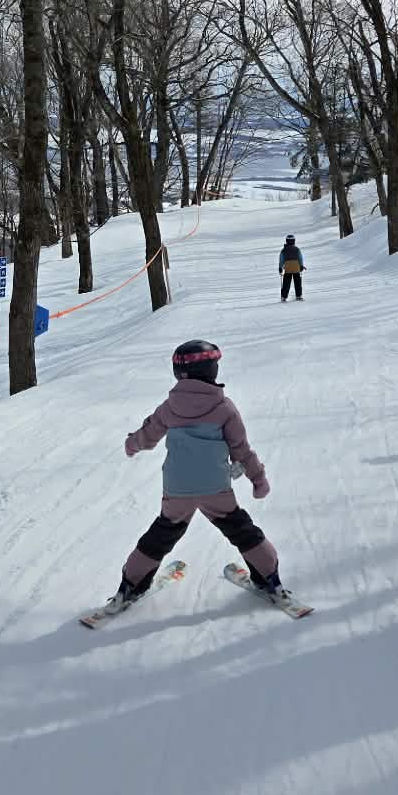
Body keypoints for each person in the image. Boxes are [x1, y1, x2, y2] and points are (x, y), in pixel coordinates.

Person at [112, 339, 291, 605]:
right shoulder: (224, 408)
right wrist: (258, 479)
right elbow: (241, 451)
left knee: (161, 535)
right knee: (241, 530)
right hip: (215, 488)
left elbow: (147, 436)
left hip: (177, 489)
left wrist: (131, 444)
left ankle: (130, 586)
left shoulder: (169, 407)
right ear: (212, 371)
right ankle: (270, 580)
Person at [279, 234, 305, 301]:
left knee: (286, 283)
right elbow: (300, 258)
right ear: (294, 241)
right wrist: (301, 265)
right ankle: (299, 295)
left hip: (288, 268)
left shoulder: (284, 250)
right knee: (297, 282)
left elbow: (281, 259)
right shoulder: (296, 249)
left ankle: (284, 297)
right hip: (296, 267)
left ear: (286, 241)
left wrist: (280, 267)